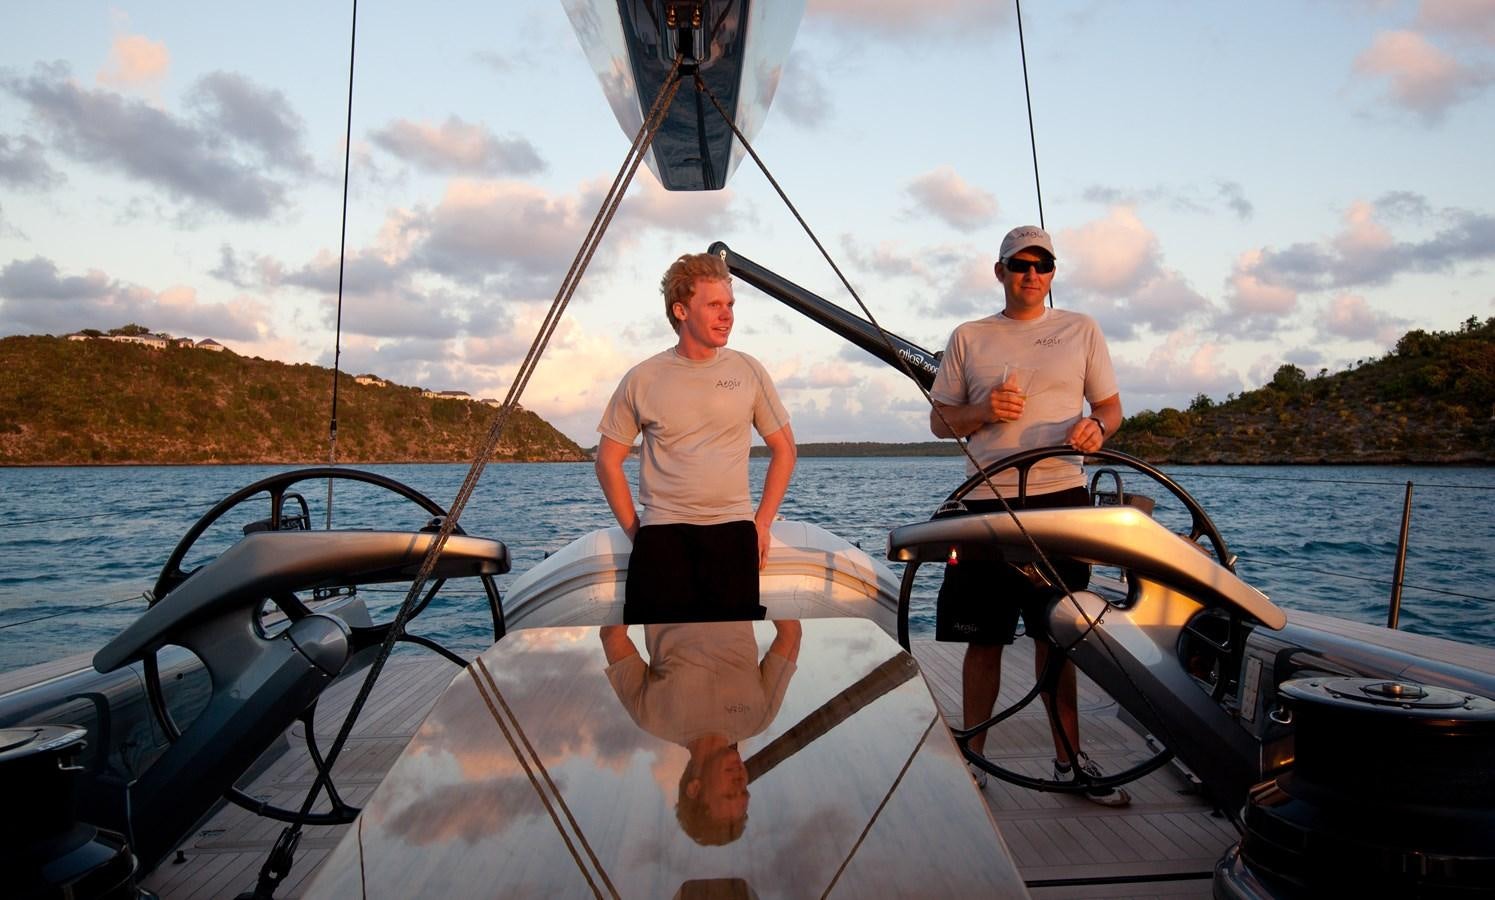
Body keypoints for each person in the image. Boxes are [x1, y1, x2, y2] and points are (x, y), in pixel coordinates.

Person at [928, 224, 1129, 806]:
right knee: (983, 639)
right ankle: (975, 761)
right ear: (1000, 272)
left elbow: (1111, 409)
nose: (1032, 275)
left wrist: (1097, 429)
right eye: (1020, 265)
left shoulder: (1081, 329)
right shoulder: (969, 337)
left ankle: (1069, 762)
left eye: (1042, 266)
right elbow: (942, 422)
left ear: (1052, 274)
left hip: (1059, 502)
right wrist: (982, 409)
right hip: (986, 505)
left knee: (1058, 638)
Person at [596, 252, 796, 624]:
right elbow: (607, 461)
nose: (727, 315)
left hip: (733, 536)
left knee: (733, 664)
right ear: (682, 311)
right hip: (662, 537)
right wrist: (635, 532)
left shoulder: (749, 370)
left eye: (730, 305)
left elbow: (785, 450)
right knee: (659, 665)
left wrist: (763, 522)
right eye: (714, 305)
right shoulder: (643, 378)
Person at [600, 620, 802, 844]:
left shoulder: (652, 717)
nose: (741, 781)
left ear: (695, 788)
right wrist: (763, 586)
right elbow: (791, 635)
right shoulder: (759, 717)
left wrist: (645, 587)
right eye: (744, 791)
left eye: (728, 794)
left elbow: (613, 637)